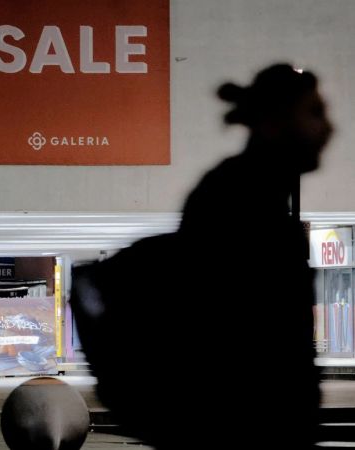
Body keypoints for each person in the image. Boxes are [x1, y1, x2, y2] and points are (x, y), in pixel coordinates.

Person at [73, 64, 332, 449]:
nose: (328, 128)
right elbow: (240, 338)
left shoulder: (252, 195)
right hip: (242, 429)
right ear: (275, 120)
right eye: (314, 112)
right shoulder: (241, 200)